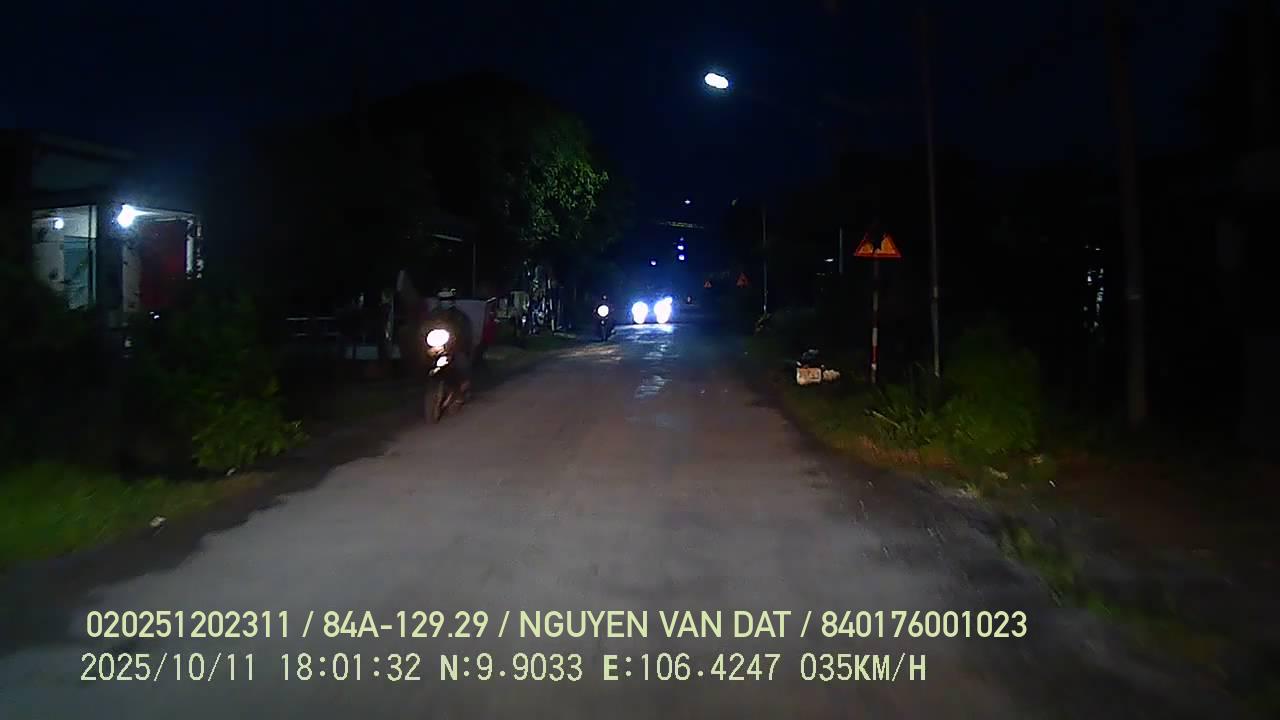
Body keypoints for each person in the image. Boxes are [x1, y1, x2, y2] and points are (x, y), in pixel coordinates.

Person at [423, 288, 475, 397]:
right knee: (424, 360)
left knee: (462, 361)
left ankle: (464, 385)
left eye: (447, 299)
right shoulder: (433, 315)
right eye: (442, 299)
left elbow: (466, 333)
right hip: (436, 347)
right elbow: (425, 329)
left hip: (454, 347)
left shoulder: (460, 316)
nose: (445, 301)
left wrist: (459, 342)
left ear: (452, 300)